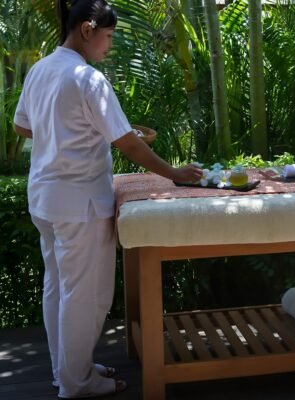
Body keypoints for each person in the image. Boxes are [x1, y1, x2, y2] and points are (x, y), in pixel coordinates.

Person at [13, 0, 203, 397]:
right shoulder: (88, 79)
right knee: (85, 296)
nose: (110, 45)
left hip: (44, 199)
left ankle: (66, 371)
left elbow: (23, 126)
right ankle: (77, 383)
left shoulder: (41, 69)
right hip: (79, 202)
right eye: (109, 35)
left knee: (58, 287)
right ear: (87, 30)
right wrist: (174, 174)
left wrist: (67, 130)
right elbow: (128, 144)